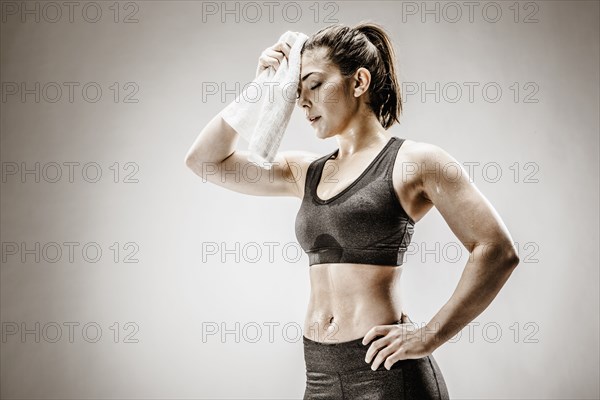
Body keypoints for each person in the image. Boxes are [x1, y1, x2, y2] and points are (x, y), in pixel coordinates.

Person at [185, 21, 520, 400]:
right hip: (320, 375)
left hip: (387, 374)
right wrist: (261, 85)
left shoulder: (415, 161)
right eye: (296, 91)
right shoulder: (305, 171)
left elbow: (496, 249)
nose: (303, 101)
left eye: (314, 84)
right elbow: (204, 161)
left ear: (359, 83)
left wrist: (430, 335)